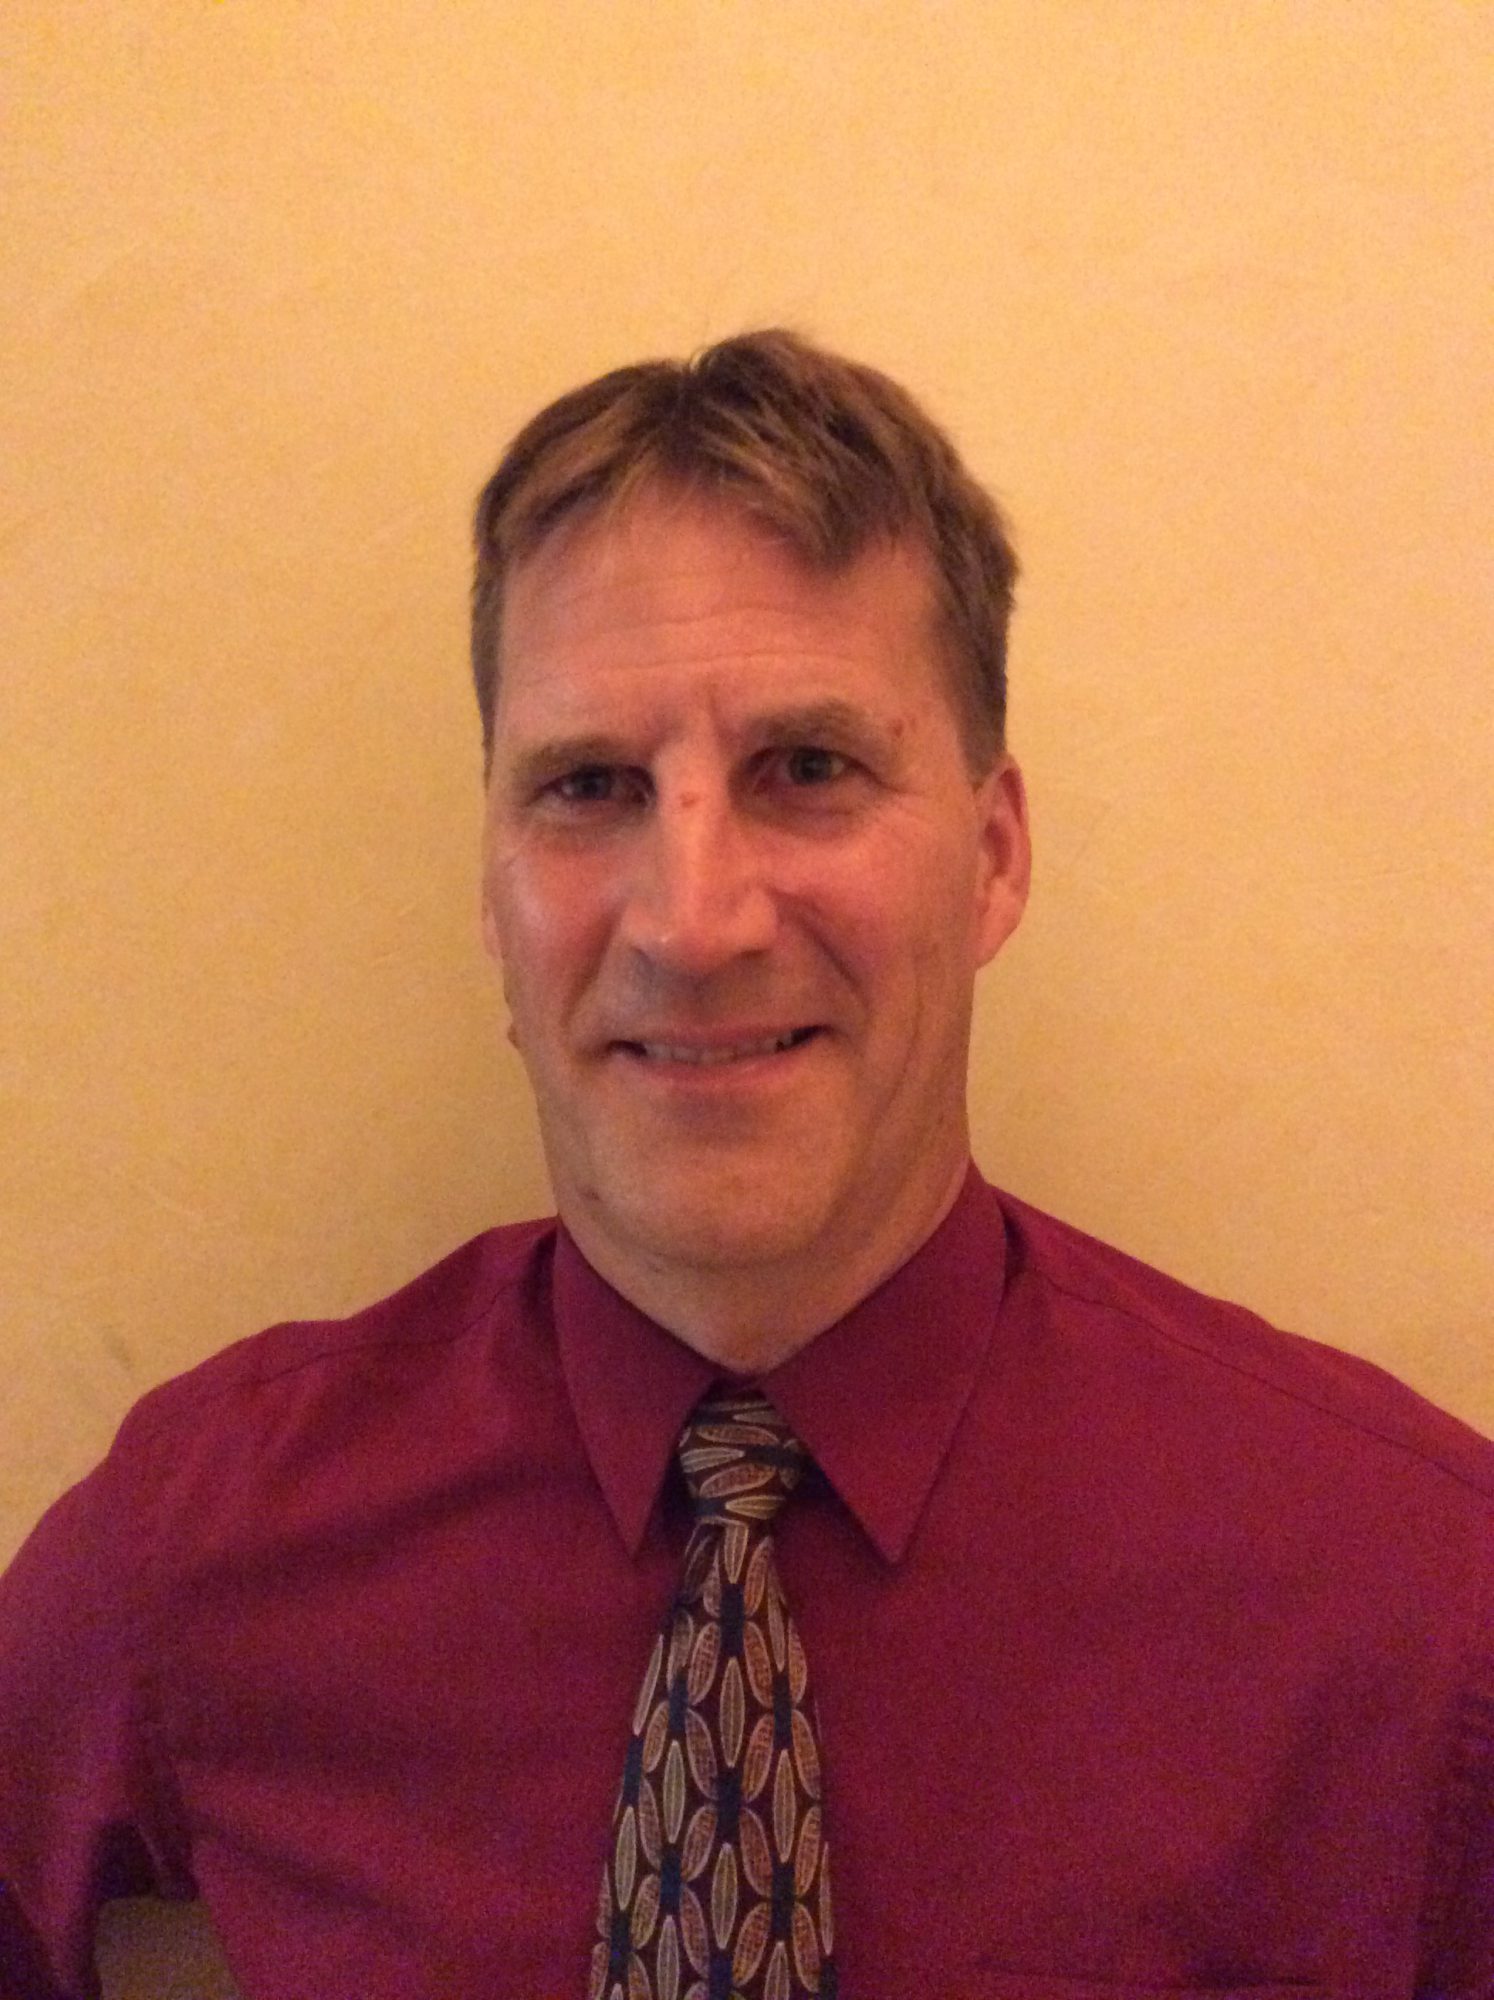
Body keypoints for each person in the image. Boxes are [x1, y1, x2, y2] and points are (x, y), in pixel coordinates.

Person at [1, 330, 1490, 2000]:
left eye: (807, 770)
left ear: (991, 861)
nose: (692, 921)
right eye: (588, 787)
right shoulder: (196, 1551)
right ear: (495, 892)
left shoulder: (1415, 1612)